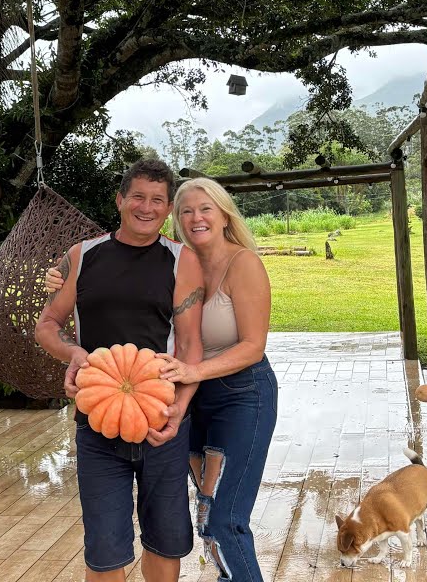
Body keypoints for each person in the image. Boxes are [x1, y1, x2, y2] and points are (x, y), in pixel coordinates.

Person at [47, 176, 277, 582]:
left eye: (205, 209)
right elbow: (86, 296)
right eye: (187, 211)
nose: (196, 218)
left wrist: (191, 376)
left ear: (225, 215)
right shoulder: (183, 260)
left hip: (238, 393)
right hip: (180, 397)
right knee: (204, 513)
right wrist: (64, 277)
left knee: (223, 519)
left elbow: (253, 346)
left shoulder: (240, 263)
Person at [35, 158, 206, 582]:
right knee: (105, 549)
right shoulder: (82, 256)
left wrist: (180, 409)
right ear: (119, 200)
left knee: (165, 541)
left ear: (168, 208)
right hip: (97, 419)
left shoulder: (181, 260)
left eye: (157, 200)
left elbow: (190, 346)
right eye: (138, 197)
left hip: (161, 418)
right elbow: (47, 324)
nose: (147, 208)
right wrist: (73, 353)